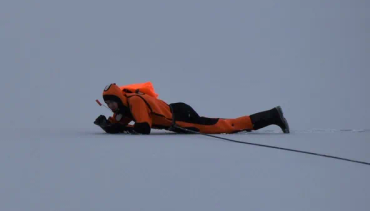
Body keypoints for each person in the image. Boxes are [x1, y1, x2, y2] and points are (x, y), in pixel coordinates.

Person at [93, 82, 289, 135]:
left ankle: (272, 115)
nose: (110, 106)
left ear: (119, 98)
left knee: (226, 126)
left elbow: (143, 127)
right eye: (108, 103)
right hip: (178, 111)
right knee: (224, 124)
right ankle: (272, 115)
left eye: (112, 102)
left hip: (181, 117)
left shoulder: (134, 102)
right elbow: (122, 121)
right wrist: (110, 125)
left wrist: (121, 128)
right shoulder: (127, 105)